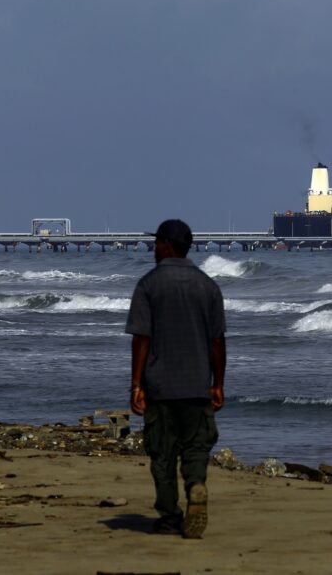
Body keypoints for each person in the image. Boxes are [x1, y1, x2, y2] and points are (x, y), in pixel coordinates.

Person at [125, 219, 226, 539]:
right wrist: (218, 383)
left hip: (161, 386)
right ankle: (196, 486)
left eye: (156, 242)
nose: (153, 248)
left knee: (162, 455)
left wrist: (136, 384)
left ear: (168, 245)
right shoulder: (208, 286)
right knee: (196, 448)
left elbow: (141, 338)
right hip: (197, 385)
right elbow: (217, 341)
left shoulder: (149, 284)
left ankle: (169, 516)